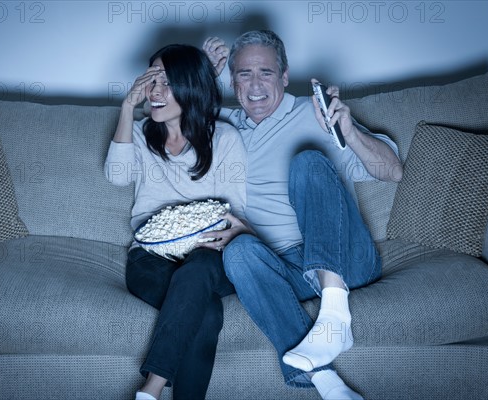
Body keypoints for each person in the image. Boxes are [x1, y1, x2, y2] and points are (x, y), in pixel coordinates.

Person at [201, 30, 403, 400]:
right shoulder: (226, 127)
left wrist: (349, 131)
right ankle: (328, 384)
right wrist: (202, 74)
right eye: (245, 74)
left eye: (266, 72)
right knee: (238, 252)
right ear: (233, 81)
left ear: (284, 76)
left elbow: (392, 171)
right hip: (286, 271)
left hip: (347, 259)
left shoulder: (315, 114)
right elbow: (167, 113)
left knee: (308, 162)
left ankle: (334, 309)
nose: (256, 84)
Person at [104, 44, 249, 400]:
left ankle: (150, 390)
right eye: (152, 79)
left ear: (189, 87)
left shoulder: (225, 139)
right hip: (150, 258)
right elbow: (117, 176)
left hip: (208, 255)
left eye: (167, 83)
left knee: (198, 270)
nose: (154, 91)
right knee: (207, 314)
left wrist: (219, 235)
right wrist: (126, 106)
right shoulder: (139, 133)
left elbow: (235, 214)